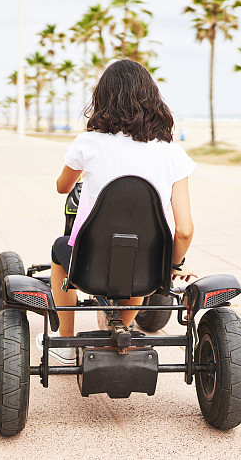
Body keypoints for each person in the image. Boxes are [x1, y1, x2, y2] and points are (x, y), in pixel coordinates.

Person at [37, 59, 197, 364]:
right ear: (153, 101)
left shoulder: (88, 143)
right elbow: (185, 230)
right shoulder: (173, 153)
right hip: (147, 270)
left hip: (89, 264)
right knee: (146, 256)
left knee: (60, 249)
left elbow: (62, 186)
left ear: (103, 99)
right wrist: (171, 265)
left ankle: (67, 342)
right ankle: (122, 328)